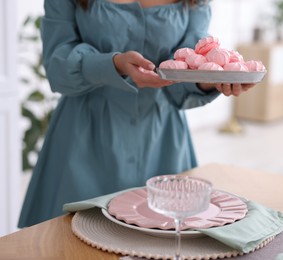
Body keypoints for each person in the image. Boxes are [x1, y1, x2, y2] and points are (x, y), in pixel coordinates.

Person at [18, 0, 255, 228]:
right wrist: (114, 64)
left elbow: (187, 69)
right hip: (82, 145)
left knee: (165, 244)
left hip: (162, 146)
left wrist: (210, 81)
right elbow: (58, 68)